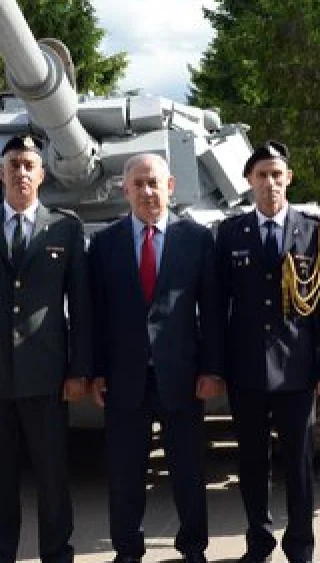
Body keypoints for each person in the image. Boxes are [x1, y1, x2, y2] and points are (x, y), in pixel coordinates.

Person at [0, 134, 92, 563]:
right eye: (14, 164)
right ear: (1, 173)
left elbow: (80, 307)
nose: (22, 171)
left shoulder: (65, 228)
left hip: (47, 378)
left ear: (42, 174)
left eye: (30, 164)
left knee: (52, 480)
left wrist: (78, 370)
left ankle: (57, 554)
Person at [88, 154, 224, 563]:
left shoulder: (196, 239)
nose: (147, 191)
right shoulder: (106, 243)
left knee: (187, 471)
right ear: (125, 190)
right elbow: (95, 313)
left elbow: (213, 311)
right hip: (123, 378)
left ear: (170, 187)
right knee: (126, 474)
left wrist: (212, 368)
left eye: (154, 183)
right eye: (138, 184)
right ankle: (128, 550)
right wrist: (94, 372)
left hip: (182, 376)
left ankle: (193, 547)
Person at [216, 141, 320, 563]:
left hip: (298, 371)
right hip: (247, 371)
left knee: (300, 467)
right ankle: (259, 543)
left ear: (288, 178)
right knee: (252, 465)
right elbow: (218, 307)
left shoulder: (312, 231)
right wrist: (216, 367)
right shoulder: (231, 233)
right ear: (249, 182)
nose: (269, 183)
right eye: (261, 175)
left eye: (277, 174)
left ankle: (300, 547)